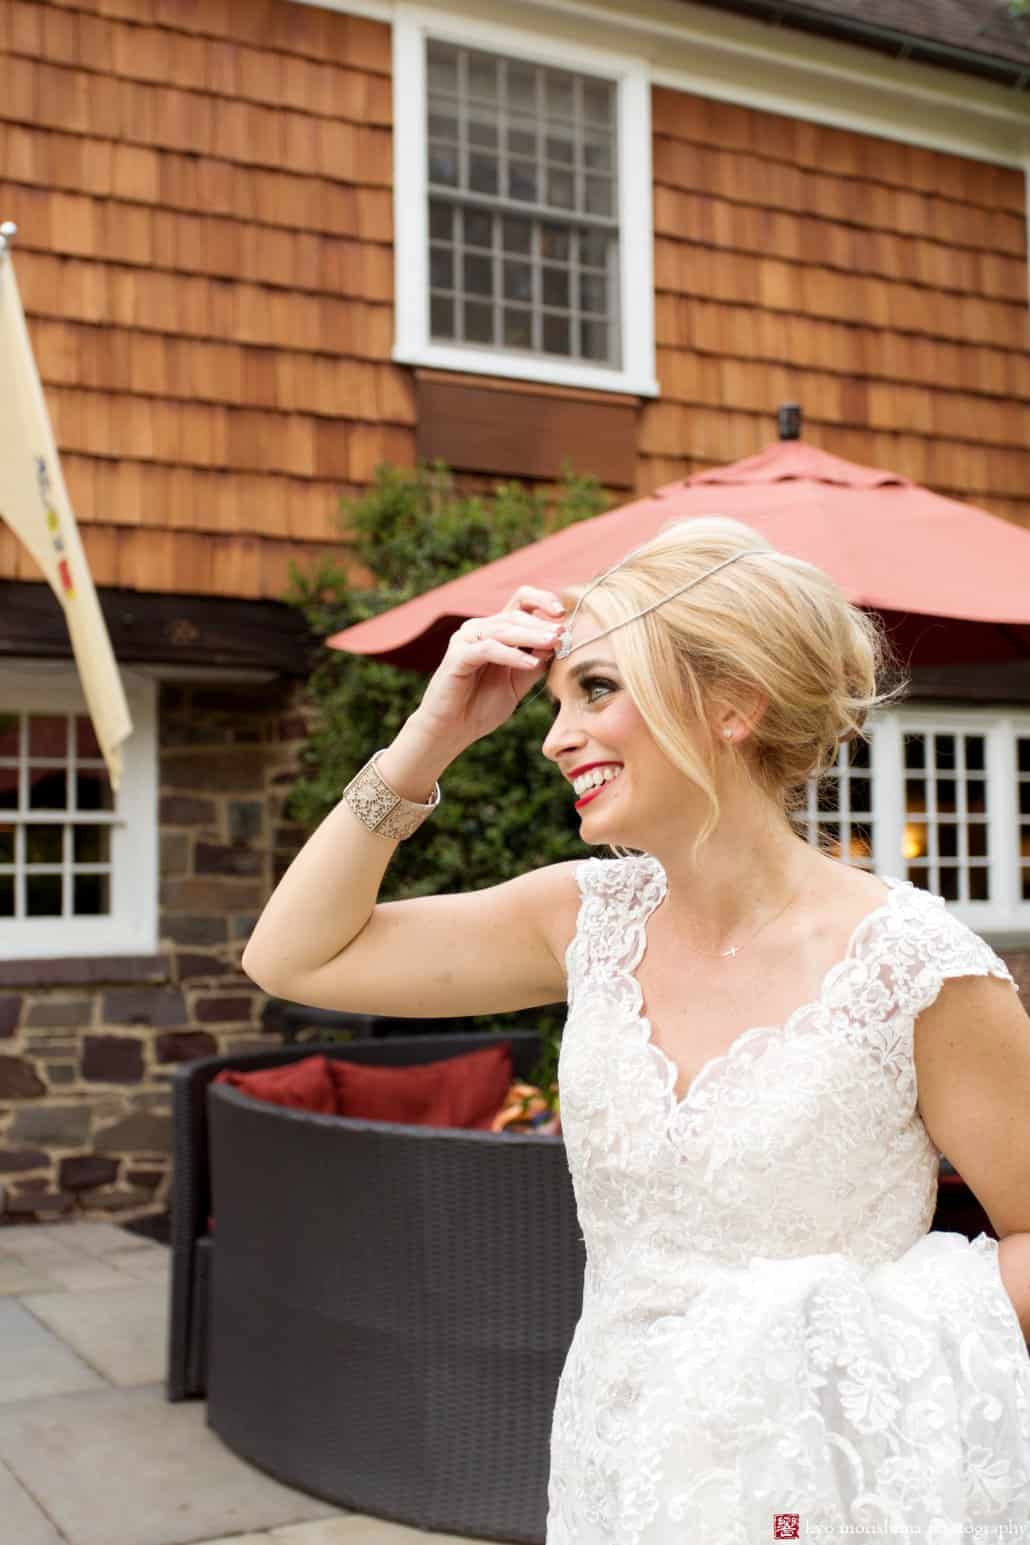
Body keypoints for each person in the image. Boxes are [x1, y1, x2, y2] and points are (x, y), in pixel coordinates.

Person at [241, 515, 1030, 1541]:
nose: (552, 733)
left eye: (596, 689)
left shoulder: (913, 967)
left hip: (838, 1482)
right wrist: (427, 739)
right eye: (559, 696)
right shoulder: (582, 920)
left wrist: (848, 1354)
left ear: (732, 705)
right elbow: (292, 957)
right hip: (623, 1457)